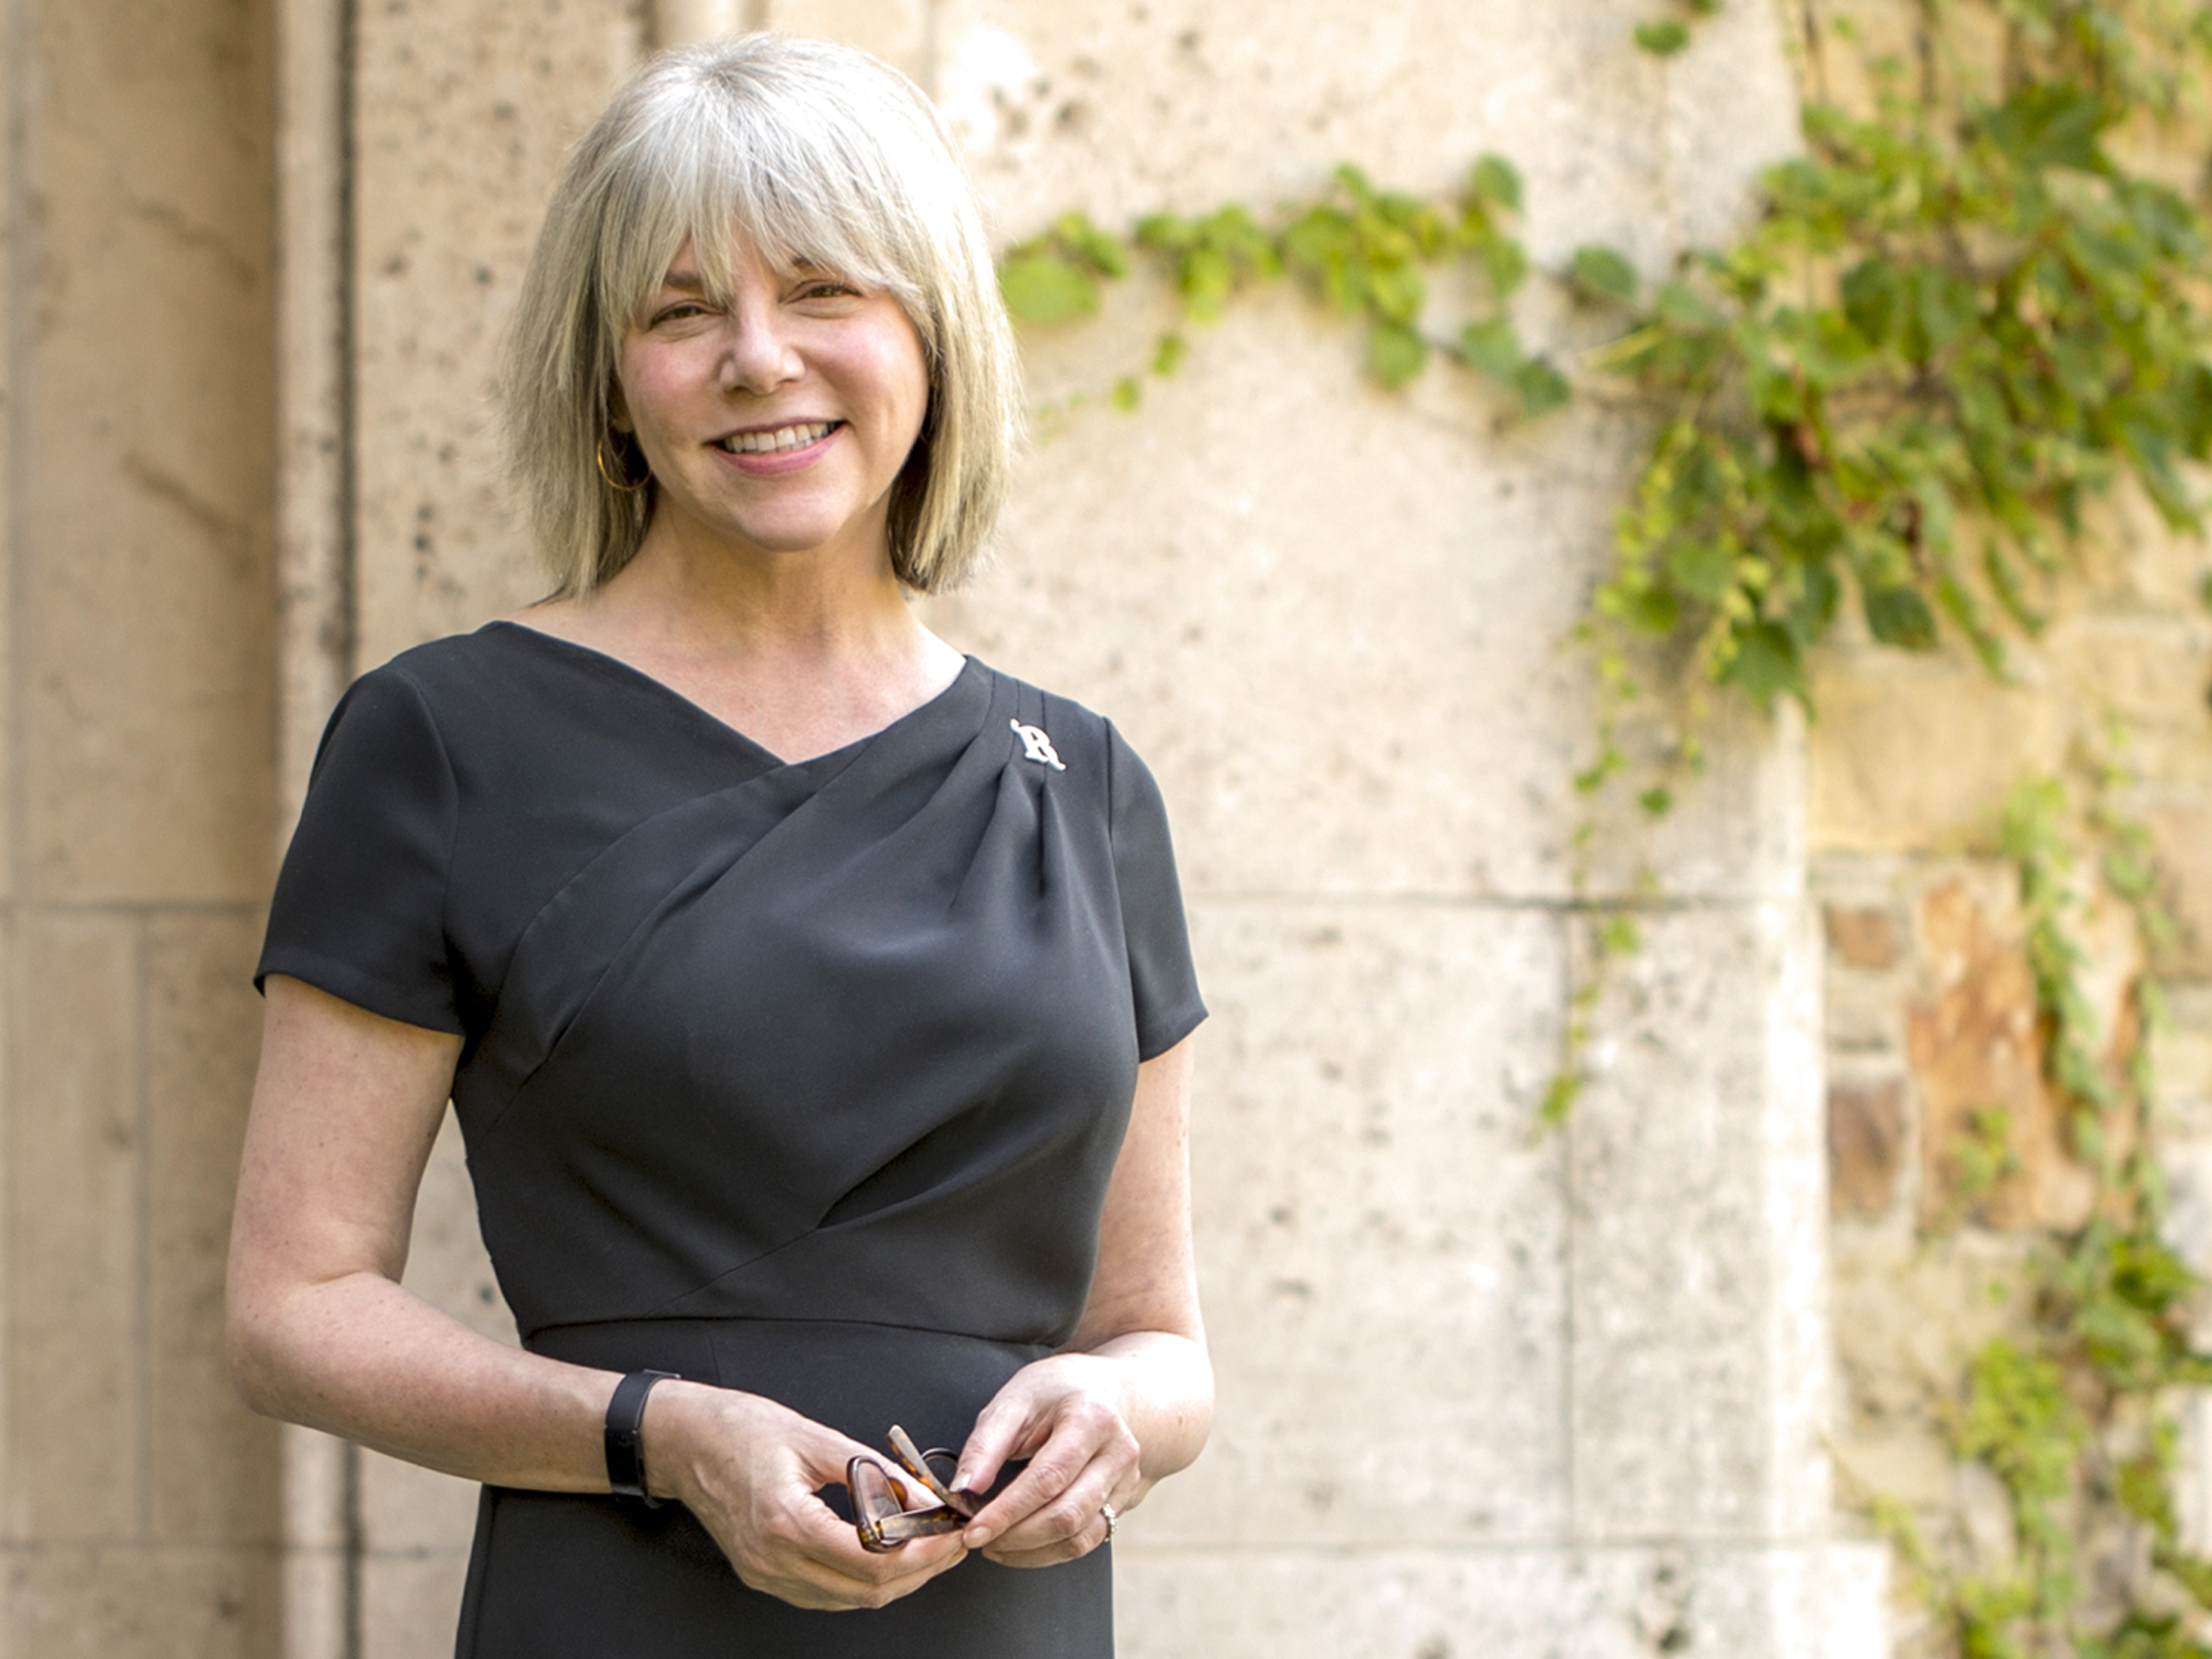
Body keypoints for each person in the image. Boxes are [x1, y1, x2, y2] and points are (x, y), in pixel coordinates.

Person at [225, 34, 1211, 1658]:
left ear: (932, 337)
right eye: (683, 313)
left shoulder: (1084, 783)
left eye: (823, 289)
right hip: (617, 1609)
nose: (759, 358)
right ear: (612, 382)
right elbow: (290, 1312)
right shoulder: (443, 741)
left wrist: (1122, 1418)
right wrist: (658, 1438)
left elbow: (1160, 1339)